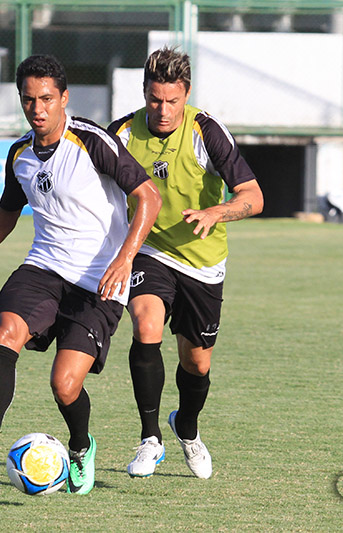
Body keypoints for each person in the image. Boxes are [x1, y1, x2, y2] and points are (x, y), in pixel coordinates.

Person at [0, 54, 161, 495]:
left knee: (64, 385)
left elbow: (149, 196)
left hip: (100, 281)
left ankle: (81, 446)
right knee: (7, 328)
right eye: (28, 100)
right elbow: (9, 209)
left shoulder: (92, 141)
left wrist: (125, 259)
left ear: (64, 98)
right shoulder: (20, 154)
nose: (38, 108)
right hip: (45, 267)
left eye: (46, 98)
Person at [108, 46, 264, 479]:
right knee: (146, 326)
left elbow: (253, 197)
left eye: (172, 101)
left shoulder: (206, 131)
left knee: (197, 363)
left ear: (186, 94)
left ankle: (187, 429)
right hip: (150, 250)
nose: (162, 110)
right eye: (155, 100)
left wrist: (217, 212)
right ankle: (150, 439)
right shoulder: (121, 133)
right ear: (144, 92)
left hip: (202, 261)